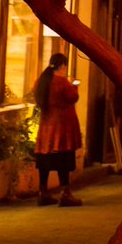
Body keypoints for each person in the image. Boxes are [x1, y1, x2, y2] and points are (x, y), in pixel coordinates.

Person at [32, 52, 83, 207]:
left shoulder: (41, 81)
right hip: (63, 127)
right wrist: (75, 86)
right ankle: (65, 194)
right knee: (64, 160)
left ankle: (43, 192)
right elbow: (72, 97)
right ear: (63, 66)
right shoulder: (62, 82)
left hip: (46, 126)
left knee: (45, 161)